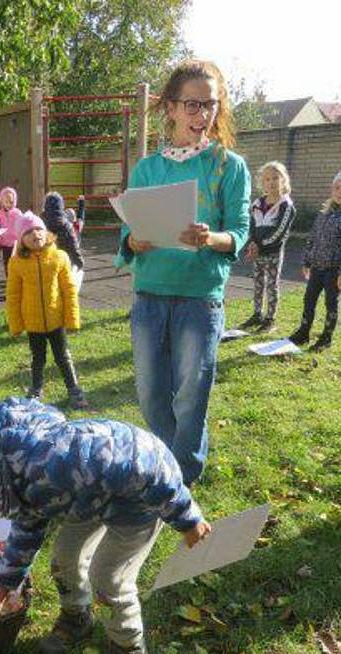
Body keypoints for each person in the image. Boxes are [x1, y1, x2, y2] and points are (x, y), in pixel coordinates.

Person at [0, 396, 211, 654]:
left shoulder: (49, 469)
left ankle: (128, 652)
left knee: (108, 579)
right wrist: (6, 581)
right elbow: (28, 524)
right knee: (64, 558)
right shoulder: (14, 468)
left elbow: (145, 465)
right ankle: (77, 616)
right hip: (88, 496)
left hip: (139, 499)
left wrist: (188, 517)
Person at [115, 59, 251, 487]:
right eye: (192, 105)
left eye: (210, 104)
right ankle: (167, 461)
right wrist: (132, 241)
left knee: (191, 395)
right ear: (171, 108)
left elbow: (241, 232)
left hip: (200, 298)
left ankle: (180, 478)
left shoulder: (230, 166)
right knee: (152, 394)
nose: (203, 115)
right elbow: (127, 229)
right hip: (150, 296)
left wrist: (211, 239)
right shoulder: (147, 169)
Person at [6, 212, 87, 409]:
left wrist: (72, 318)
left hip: (56, 320)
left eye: (39, 229)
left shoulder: (60, 257)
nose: (36, 234)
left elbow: (69, 290)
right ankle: (36, 389)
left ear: (46, 232)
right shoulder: (17, 263)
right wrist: (16, 324)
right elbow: (13, 295)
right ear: (21, 239)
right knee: (38, 358)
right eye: (29, 232)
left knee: (63, 356)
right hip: (33, 323)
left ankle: (74, 389)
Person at [288, 172, 341, 351]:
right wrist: (306, 261)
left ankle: (326, 337)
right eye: (337, 188)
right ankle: (304, 332)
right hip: (317, 268)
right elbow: (312, 239)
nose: (340, 191)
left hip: (334, 270)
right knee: (309, 299)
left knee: (331, 303)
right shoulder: (323, 215)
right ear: (332, 190)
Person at [241, 162, 296, 332]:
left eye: (275, 178)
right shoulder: (257, 203)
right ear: (262, 182)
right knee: (258, 284)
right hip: (257, 252)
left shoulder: (287, 206)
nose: (271, 182)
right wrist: (251, 243)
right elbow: (250, 226)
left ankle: (270, 319)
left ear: (283, 180)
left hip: (272, 253)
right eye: (267, 179)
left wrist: (259, 246)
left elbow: (279, 233)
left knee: (272, 285)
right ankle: (257, 315)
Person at [42, 191, 85, 284]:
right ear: (61, 206)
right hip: (64, 259)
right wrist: (79, 261)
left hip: (46, 261)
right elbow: (73, 244)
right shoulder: (67, 225)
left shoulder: (41, 222)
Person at [0, 186, 23, 276]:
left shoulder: (18, 213)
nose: (9, 204)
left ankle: (17, 280)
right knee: (7, 264)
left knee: (17, 263)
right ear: (2, 202)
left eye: (11, 202)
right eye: (6, 202)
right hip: (5, 245)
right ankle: (9, 281)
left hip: (15, 244)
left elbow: (23, 227)